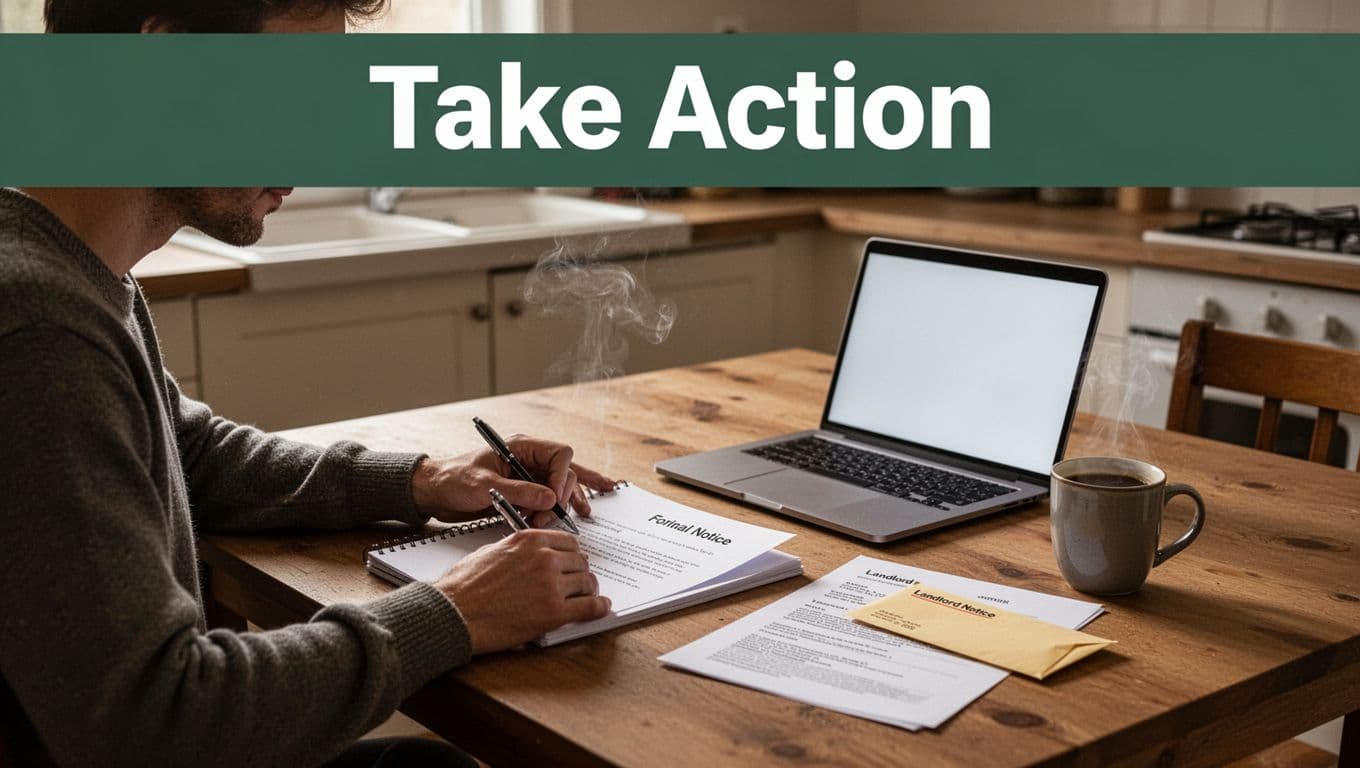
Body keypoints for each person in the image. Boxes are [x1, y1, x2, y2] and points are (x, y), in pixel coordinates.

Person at [0, 2, 613, 765]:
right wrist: (457, 611)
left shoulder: (69, 270)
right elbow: (153, 720)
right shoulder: (39, 327)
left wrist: (423, 480)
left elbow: (188, 457)